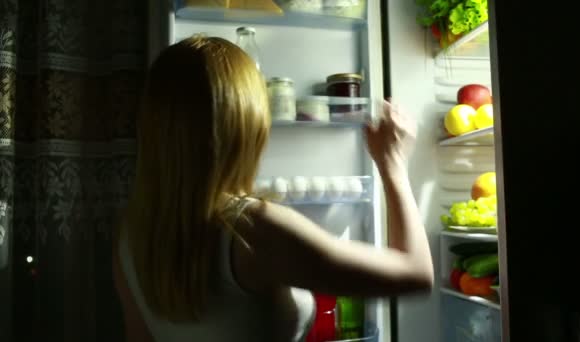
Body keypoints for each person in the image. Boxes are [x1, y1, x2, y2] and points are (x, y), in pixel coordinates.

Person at [112, 34, 433, 342]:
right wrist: (393, 165)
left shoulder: (133, 232)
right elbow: (416, 274)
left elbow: (138, 337)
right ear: (244, 126)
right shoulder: (253, 228)